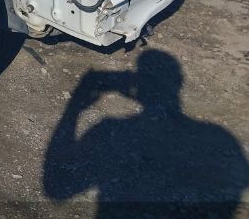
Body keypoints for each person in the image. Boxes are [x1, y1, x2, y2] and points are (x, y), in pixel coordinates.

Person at [44, 49, 248, 218]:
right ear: (179, 83)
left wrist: (74, 108)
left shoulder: (109, 130)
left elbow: (56, 189)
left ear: (136, 87)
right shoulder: (219, 138)